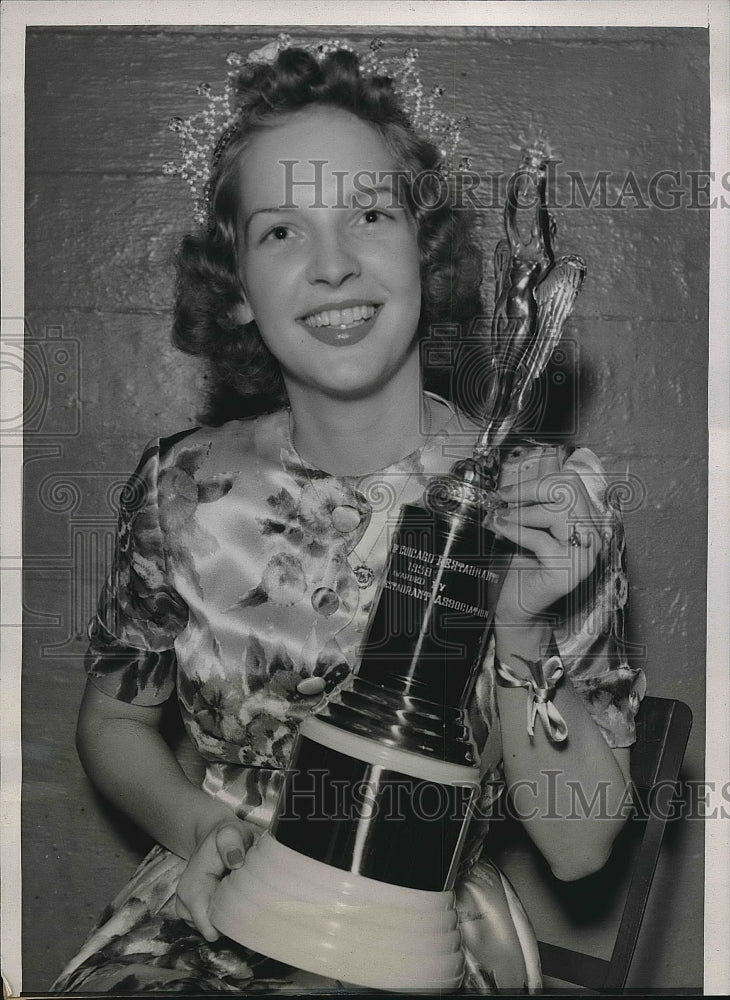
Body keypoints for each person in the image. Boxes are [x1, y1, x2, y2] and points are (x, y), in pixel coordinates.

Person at [52, 39, 645, 993]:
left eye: (370, 215)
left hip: (419, 925)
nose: (333, 265)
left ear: (424, 248)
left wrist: (522, 635)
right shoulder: (179, 485)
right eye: (282, 232)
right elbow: (113, 725)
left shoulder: (540, 499)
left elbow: (578, 852)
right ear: (237, 286)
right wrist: (205, 830)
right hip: (210, 903)